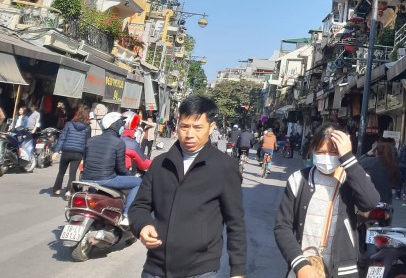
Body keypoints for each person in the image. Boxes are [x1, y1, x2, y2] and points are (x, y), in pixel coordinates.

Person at [129, 95, 246, 278]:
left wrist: (237, 270)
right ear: (178, 125)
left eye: (198, 127)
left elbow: (235, 223)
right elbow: (139, 206)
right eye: (184, 126)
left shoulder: (224, 168)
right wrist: (142, 226)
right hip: (155, 268)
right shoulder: (161, 164)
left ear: (211, 127)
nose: (190, 134)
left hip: (200, 270)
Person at [275, 124, 380, 278]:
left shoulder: (352, 179)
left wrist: (348, 158)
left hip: (343, 271)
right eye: (321, 152)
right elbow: (282, 226)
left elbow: (370, 201)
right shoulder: (298, 180)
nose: (327, 157)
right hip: (304, 270)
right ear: (313, 151)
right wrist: (300, 265)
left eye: (333, 152)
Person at [81, 112, 142, 222]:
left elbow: (85, 163)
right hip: (106, 180)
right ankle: (127, 215)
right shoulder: (118, 142)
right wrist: (131, 175)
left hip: (86, 178)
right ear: (115, 126)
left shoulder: (91, 140)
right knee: (138, 182)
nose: (123, 127)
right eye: (121, 124)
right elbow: (121, 169)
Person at [52, 106, 91, 198]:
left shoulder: (69, 124)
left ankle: (57, 190)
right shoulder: (88, 127)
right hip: (78, 153)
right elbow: (87, 144)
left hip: (66, 151)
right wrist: (84, 158)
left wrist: (56, 151)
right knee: (72, 173)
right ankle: (69, 192)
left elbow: (62, 138)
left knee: (61, 171)